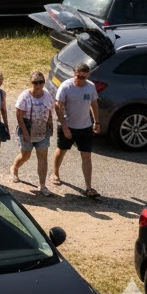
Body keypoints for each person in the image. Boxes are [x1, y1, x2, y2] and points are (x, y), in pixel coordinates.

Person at [52, 62, 101, 197]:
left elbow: (94, 103)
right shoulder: (66, 87)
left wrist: (96, 121)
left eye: (83, 77)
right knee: (61, 150)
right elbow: (58, 107)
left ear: (88, 76)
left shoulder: (90, 87)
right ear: (74, 73)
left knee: (86, 156)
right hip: (68, 126)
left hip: (85, 127)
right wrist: (65, 127)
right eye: (78, 76)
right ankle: (55, 173)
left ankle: (89, 187)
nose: (80, 79)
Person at [11, 71, 54, 195]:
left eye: (41, 82)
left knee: (43, 157)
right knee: (26, 155)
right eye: (36, 82)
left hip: (42, 130)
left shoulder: (47, 95)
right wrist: (25, 133)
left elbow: (50, 109)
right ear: (31, 82)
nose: (38, 85)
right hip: (28, 130)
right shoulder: (24, 96)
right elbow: (19, 116)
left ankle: (42, 185)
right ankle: (14, 168)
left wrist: (50, 123)